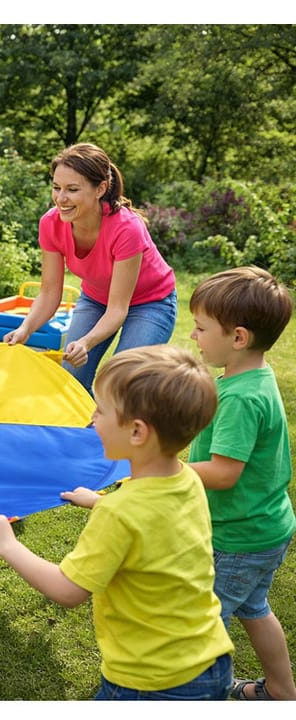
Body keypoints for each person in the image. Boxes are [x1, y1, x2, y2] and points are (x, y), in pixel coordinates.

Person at [0, 345, 234, 700]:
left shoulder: (119, 513)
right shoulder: (186, 479)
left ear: (137, 432)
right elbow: (154, 523)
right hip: (210, 659)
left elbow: (68, 590)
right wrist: (99, 501)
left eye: (100, 410)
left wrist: (7, 544)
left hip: (152, 680)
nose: (91, 418)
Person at [186, 266, 296, 701]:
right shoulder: (251, 379)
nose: (193, 336)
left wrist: (164, 469)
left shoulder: (241, 397)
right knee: (254, 608)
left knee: (200, 625)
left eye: (200, 328)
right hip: (264, 529)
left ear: (238, 337)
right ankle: (282, 692)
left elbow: (224, 472)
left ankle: (198, 696)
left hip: (238, 539)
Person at [3, 143, 177, 394]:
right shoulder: (51, 223)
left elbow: (118, 309)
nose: (61, 198)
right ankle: (93, 418)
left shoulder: (127, 228)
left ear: (101, 189)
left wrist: (86, 342)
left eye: (72, 189)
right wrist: (25, 329)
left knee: (124, 382)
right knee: (72, 378)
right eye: (56, 187)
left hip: (151, 302)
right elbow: (49, 292)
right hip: (96, 299)